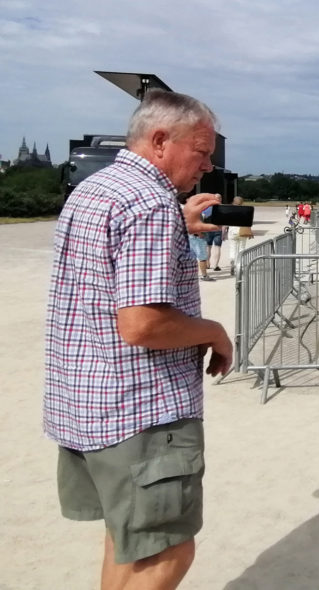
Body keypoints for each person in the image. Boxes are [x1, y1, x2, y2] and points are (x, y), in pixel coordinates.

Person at [44, 89, 233, 589]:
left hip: (89, 403)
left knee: (128, 543)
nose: (208, 165)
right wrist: (215, 332)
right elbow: (143, 324)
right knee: (168, 551)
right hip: (142, 413)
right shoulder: (149, 203)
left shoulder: (97, 187)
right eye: (201, 151)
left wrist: (178, 225)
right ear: (160, 141)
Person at [227, 196, 254, 276]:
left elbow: (226, 222)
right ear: (242, 203)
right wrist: (250, 232)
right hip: (242, 231)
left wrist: (224, 232)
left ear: (233, 202)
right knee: (241, 249)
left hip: (232, 231)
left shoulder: (229, 210)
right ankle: (240, 266)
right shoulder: (245, 211)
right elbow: (248, 223)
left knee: (232, 248)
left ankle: (232, 261)